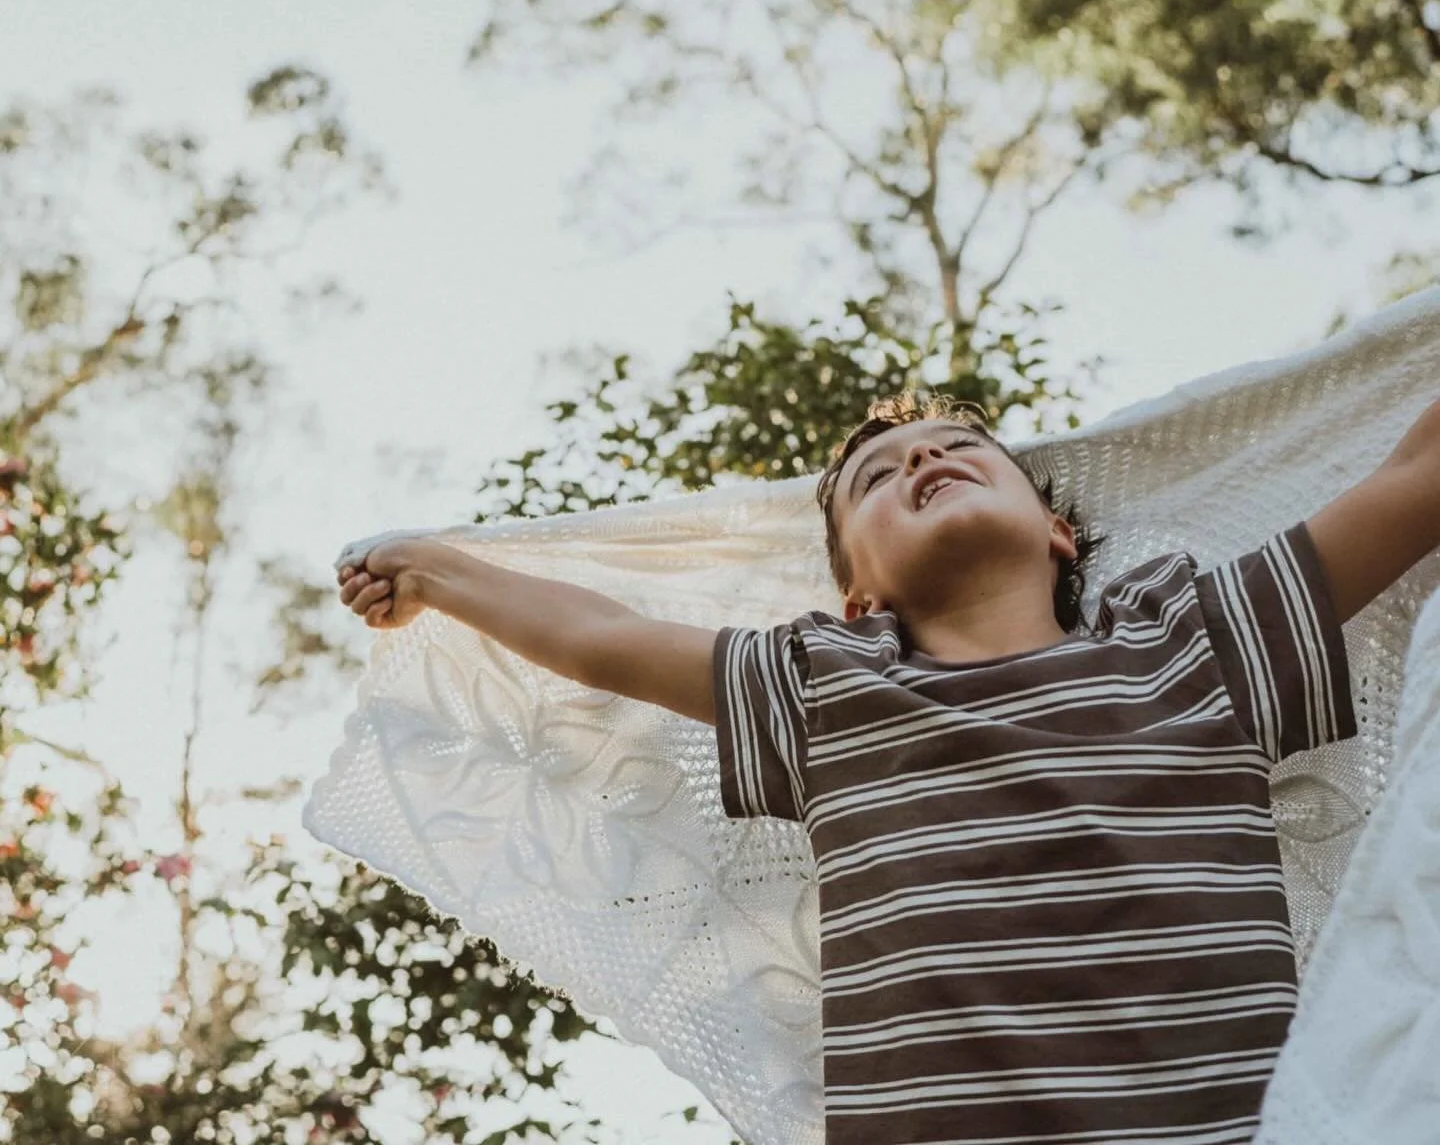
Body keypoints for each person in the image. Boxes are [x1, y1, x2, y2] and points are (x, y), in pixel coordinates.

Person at [334, 391, 1440, 1145]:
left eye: (963, 451)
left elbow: (1416, 479)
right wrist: (438, 573)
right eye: (878, 477)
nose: (924, 459)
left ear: (1056, 532)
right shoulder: (833, 686)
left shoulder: (1191, 639)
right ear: (856, 594)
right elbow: (605, 639)